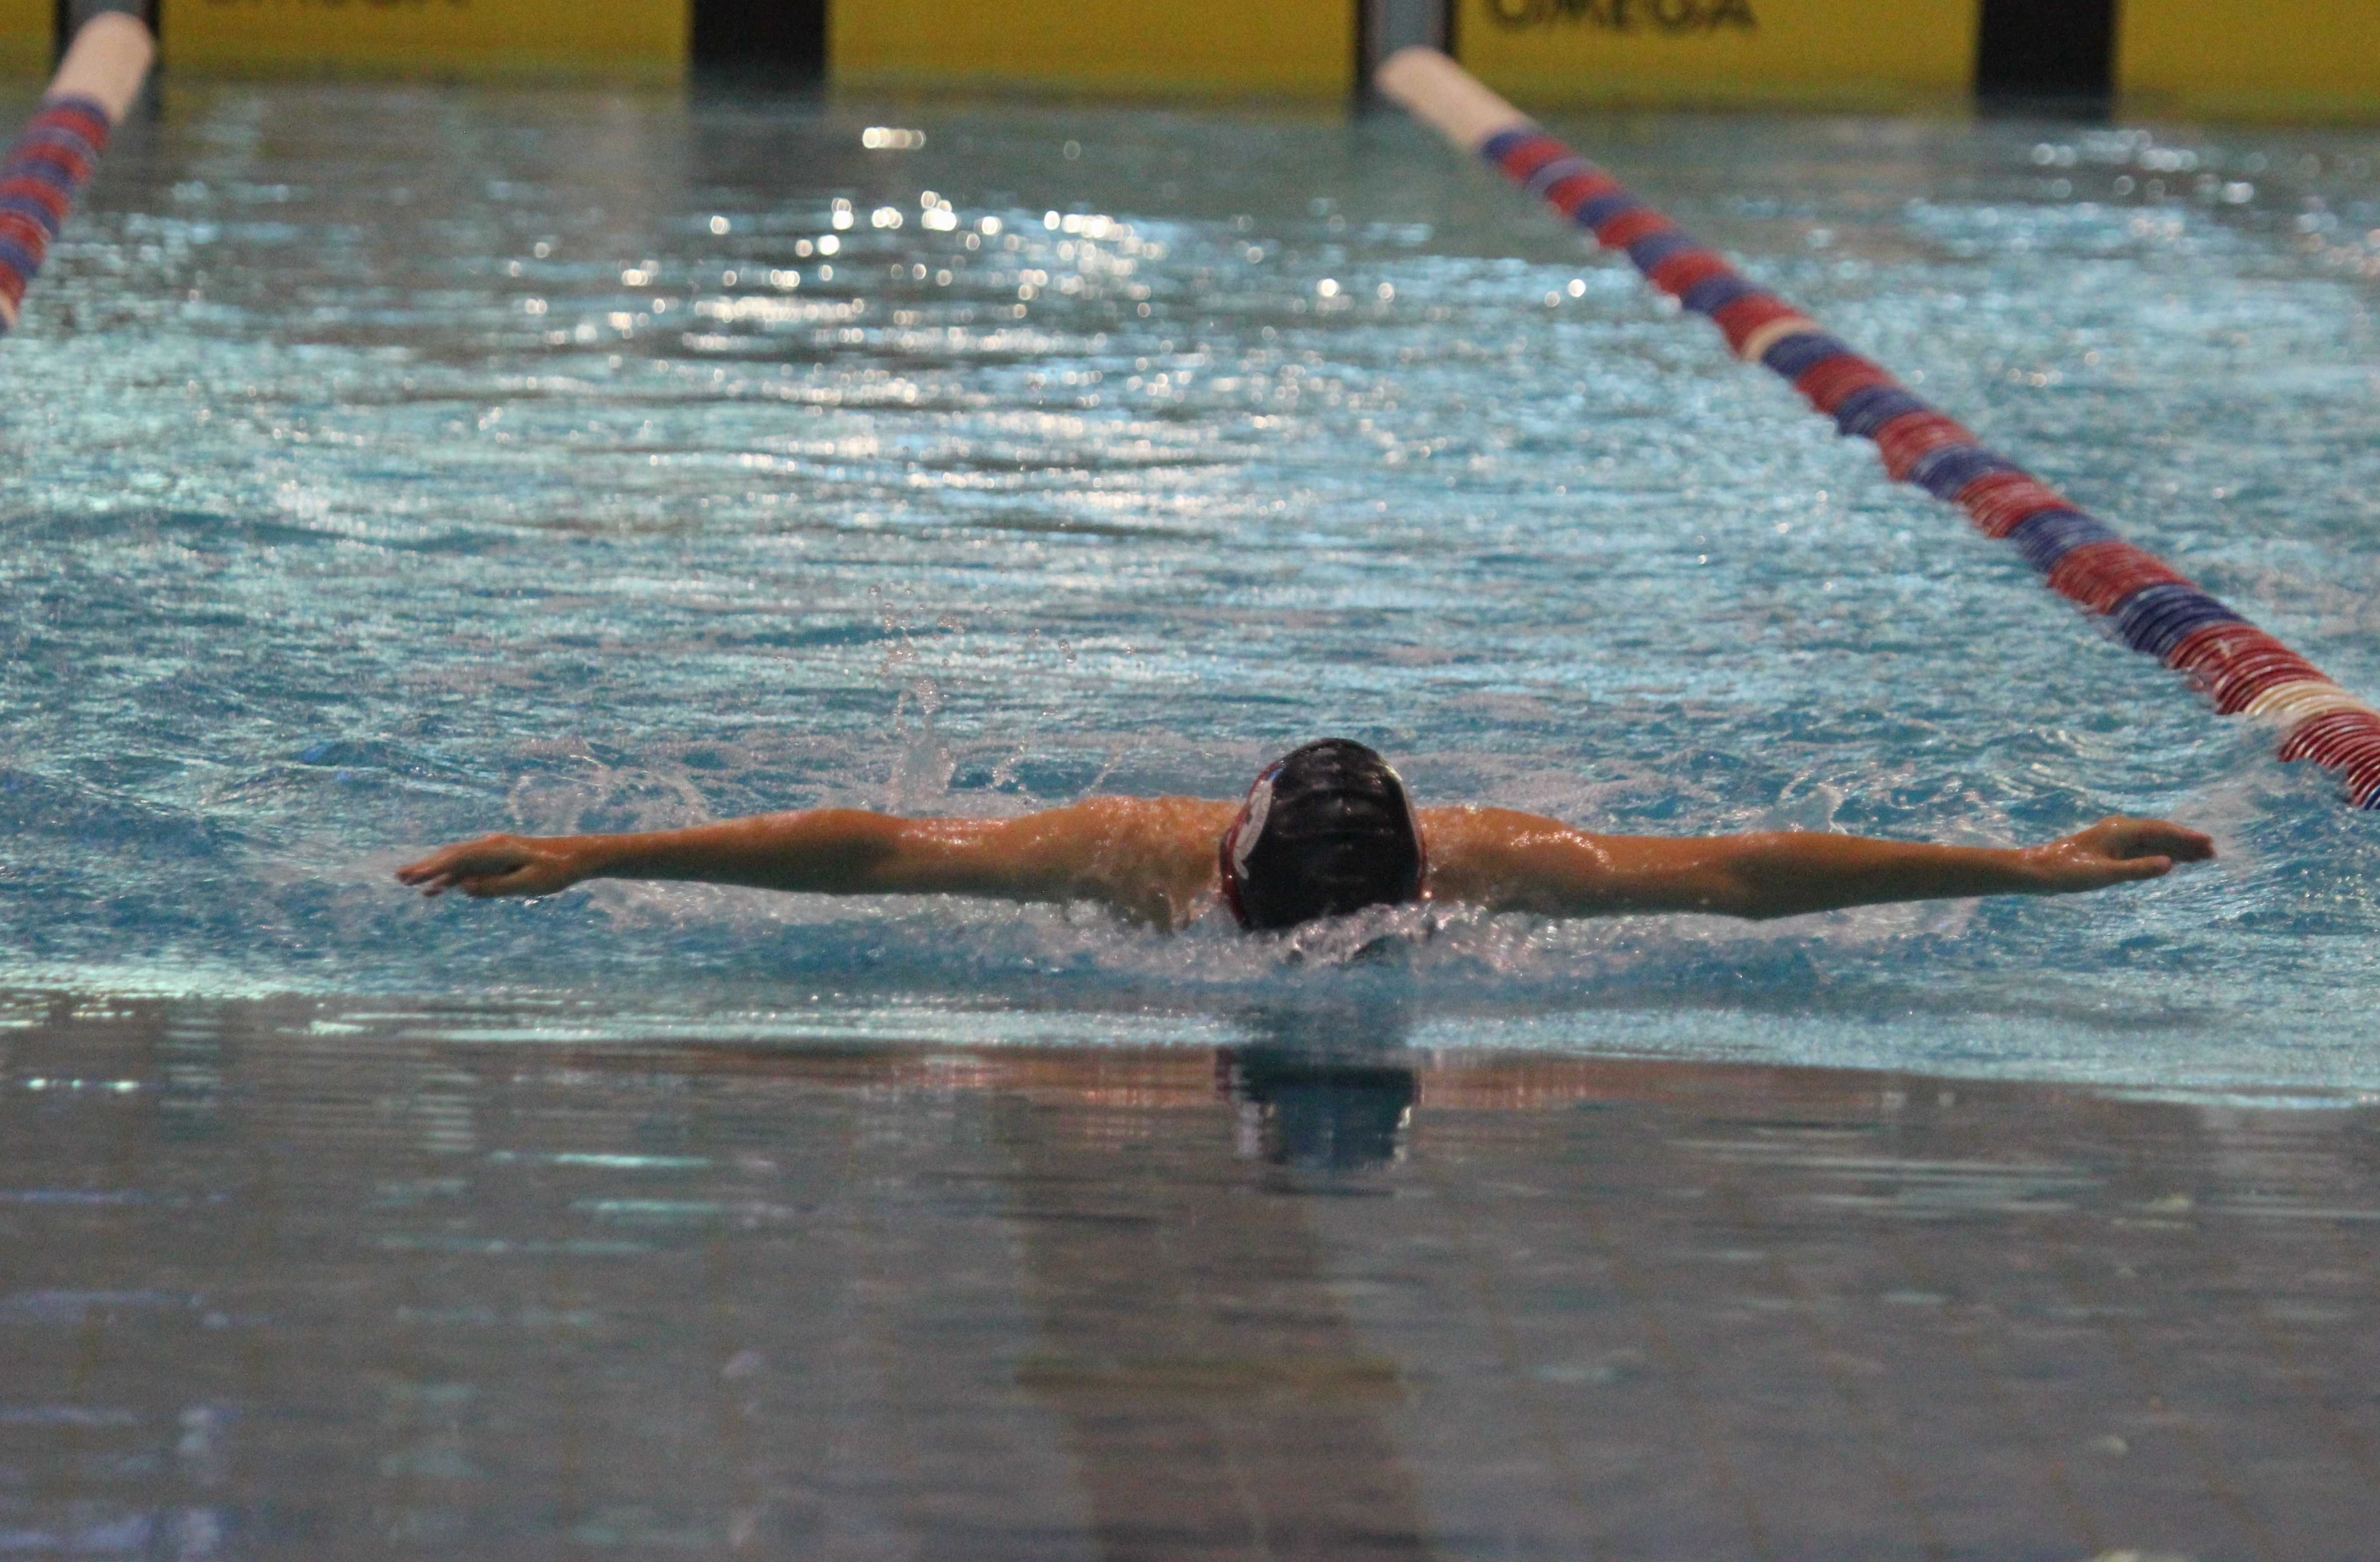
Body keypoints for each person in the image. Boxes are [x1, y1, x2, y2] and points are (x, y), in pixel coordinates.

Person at [396, 737, 2213, 934]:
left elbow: (1752, 871)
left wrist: (2045, 871)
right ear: (1221, 878)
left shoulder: (1503, 866)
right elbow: (875, 851)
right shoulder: (1118, 849)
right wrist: (600, 856)